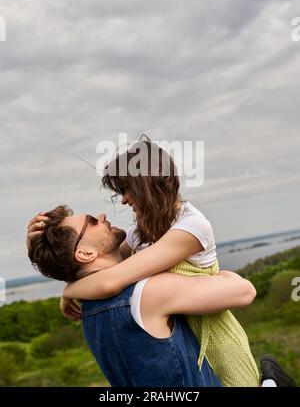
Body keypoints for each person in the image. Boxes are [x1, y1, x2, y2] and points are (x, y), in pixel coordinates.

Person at [59, 138, 260, 387]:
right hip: (178, 338)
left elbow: (111, 280)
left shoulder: (190, 227)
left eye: (126, 190)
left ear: (147, 185)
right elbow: (100, 267)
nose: (123, 200)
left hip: (215, 339)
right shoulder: (140, 232)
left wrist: (69, 291)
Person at [27, 205, 257, 387]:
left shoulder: (88, 308)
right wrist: (218, 273)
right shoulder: (147, 293)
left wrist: (60, 275)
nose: (102, 215)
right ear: (86, 253)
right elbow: (244, 291)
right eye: (92, 221)